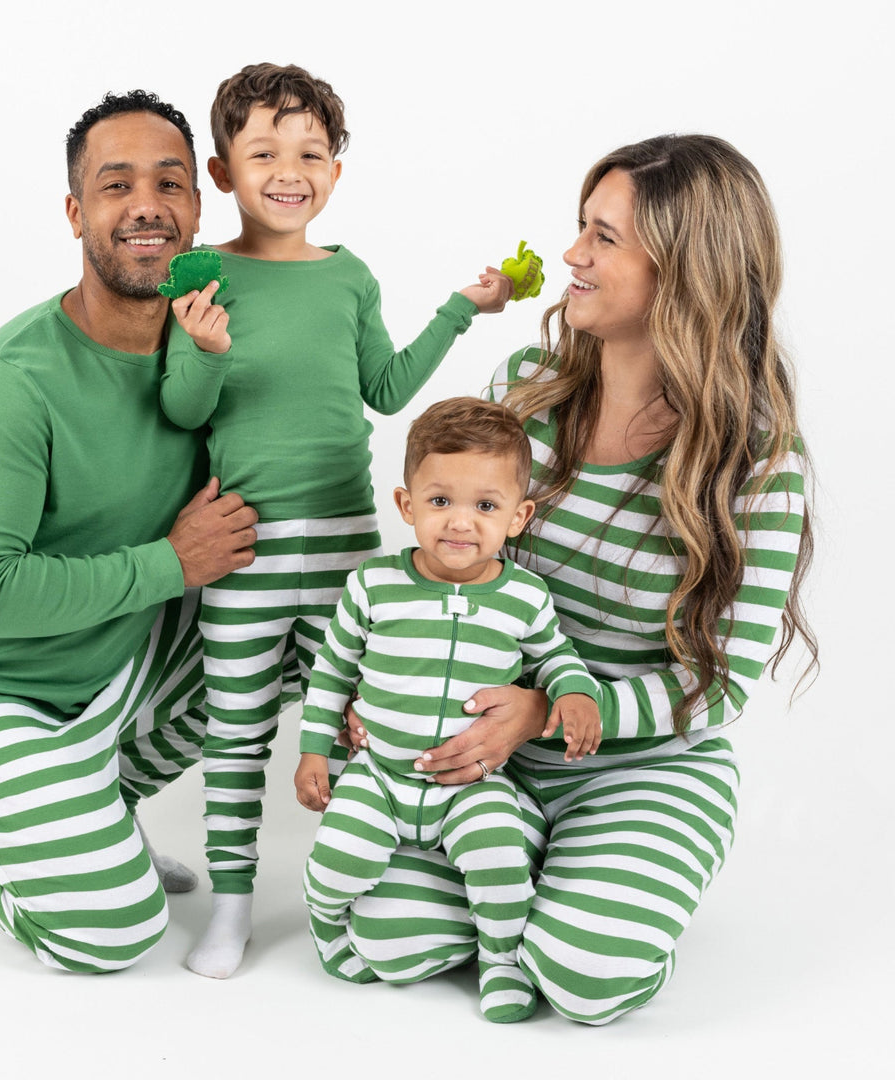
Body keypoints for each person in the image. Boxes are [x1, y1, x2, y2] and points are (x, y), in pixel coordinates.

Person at [339, 133, 817, 1024]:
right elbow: (460, 569)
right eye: (579, 228)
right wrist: (400, 682)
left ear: (683, 270)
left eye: (604, 238)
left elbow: (724, 683)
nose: (571, 256)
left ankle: (576, 896)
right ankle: (531, 883)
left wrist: (553, 712)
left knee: (589, 978)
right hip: (493, 751)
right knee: (385, 937)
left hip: (642, 764)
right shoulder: (528, 389)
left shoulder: (757, 460)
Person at [0, 90, 279, 973]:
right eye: (115, 184)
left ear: (196, 211)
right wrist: (172, 563)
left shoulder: (204, 343)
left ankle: (82, 806)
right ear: (75, 213)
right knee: (112, 932)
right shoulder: (9, 382)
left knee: (282, 630)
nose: (146, 205)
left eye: (169, 183)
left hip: (107, 669)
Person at [160, 62, 514, 980]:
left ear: (336, 172)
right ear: (221, 170)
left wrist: (461, 311)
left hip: (348, 551)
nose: (289, 169)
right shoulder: (202, 278)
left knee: (359, 719)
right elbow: (184, 414)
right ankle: (232, 908)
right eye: (265, 151)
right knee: (234, 731)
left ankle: (378, 884)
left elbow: (386, 389)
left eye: (311, 152)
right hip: (242, 551)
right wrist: (201, 350)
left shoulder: (348, 275)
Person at [295, 396, 601, 1023]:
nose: (461, 523)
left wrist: (575, 693)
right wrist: (313, 751)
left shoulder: (524, 596)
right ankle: (328, 930)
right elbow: (331, 671)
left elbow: (558, 657)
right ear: (407, 505)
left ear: (518, 517)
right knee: (336, 860)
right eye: (440, 502)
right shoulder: (373, 584)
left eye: (485, 506)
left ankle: (502, 962)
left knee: (497, 857)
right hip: (380, 778)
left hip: (472, 784)